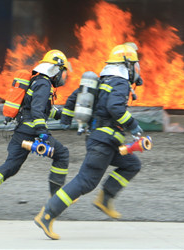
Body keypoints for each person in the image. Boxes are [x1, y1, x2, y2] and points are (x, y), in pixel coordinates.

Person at [34, 43, 144, 240]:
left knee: (131, 164)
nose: (136, 69)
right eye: (134, 64)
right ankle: (47, 214)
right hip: (104, 142)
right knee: (85, 181)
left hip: (103, 140)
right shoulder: (120, 82)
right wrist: (134, 126)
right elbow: (116, 109)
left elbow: (73, 97)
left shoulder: (101, 80)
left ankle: (105, 199)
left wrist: (66, 119)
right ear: (127, 65)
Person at [0, 49, 72, 216]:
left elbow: (40, 109)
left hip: (22, 131)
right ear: (55, 69)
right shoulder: (44, 84)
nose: (63, 76)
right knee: (62, 155)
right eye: (62, 71)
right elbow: (37, 112)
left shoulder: (37, 81)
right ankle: (56, 199)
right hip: (32, 131)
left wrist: (64, 114)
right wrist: (43, 134)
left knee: (11, 166)